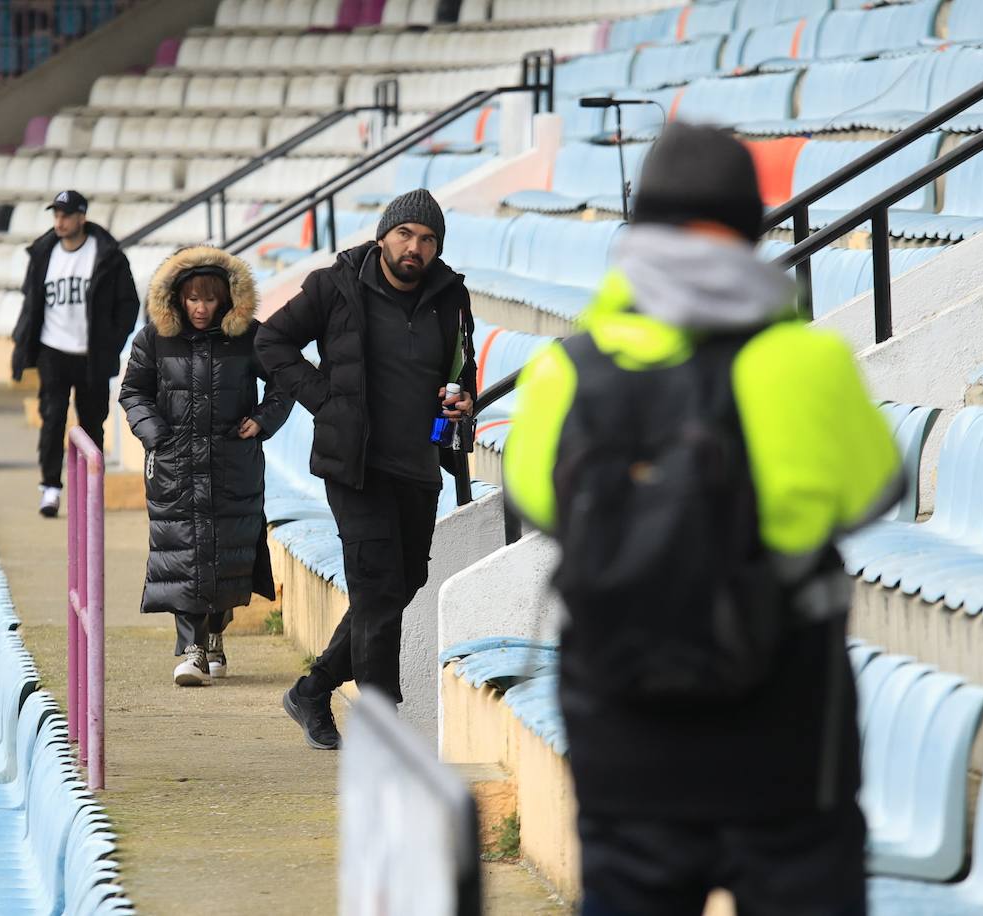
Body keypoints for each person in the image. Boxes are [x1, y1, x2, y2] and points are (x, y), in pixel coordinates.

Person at [503, 123, 902, 916]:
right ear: (750, 228)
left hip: (626, 752)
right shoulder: (806, 364)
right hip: (786, 756)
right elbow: (876, 491)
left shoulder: (562, 375)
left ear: (639, 229)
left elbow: (537, 504)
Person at [255, 188, 477, 750]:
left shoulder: (452, 295)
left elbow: (462, 366)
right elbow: (271, 341)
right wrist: (323, 400)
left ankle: (315, 685)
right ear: (383, 236)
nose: (415, 248)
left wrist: (463, 398)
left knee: (406, 581)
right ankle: (382, 726)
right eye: (405, 234)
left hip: (420, 464)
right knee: (379, 591)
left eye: (427, 239)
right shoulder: (335, 285)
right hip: (355, 465)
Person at [120, 246, 292, 687]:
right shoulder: (153, 339)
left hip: (232, 464)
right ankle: (191, 649)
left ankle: (216, 633)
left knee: (226, 554)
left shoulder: (250, 336)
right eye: (193, 298)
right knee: (184, 552)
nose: (200, 308)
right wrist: (155, 433)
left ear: (226, 299)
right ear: (176, 297)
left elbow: (286, 378)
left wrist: (262, 419)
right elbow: (133, 393)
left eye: (209, 299)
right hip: (175, 464)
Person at [11, 189, 140, 517]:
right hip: (53, 350)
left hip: (92, 354)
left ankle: (90, 490)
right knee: (52, 417)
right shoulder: (44, 253)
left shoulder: (106, 254)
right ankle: (50, 487)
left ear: (82, 217)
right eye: (56, 215)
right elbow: (31, 303)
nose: (60, 221)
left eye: (66, 215)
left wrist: (111, 341)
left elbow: (129, 303)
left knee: (92, 422)